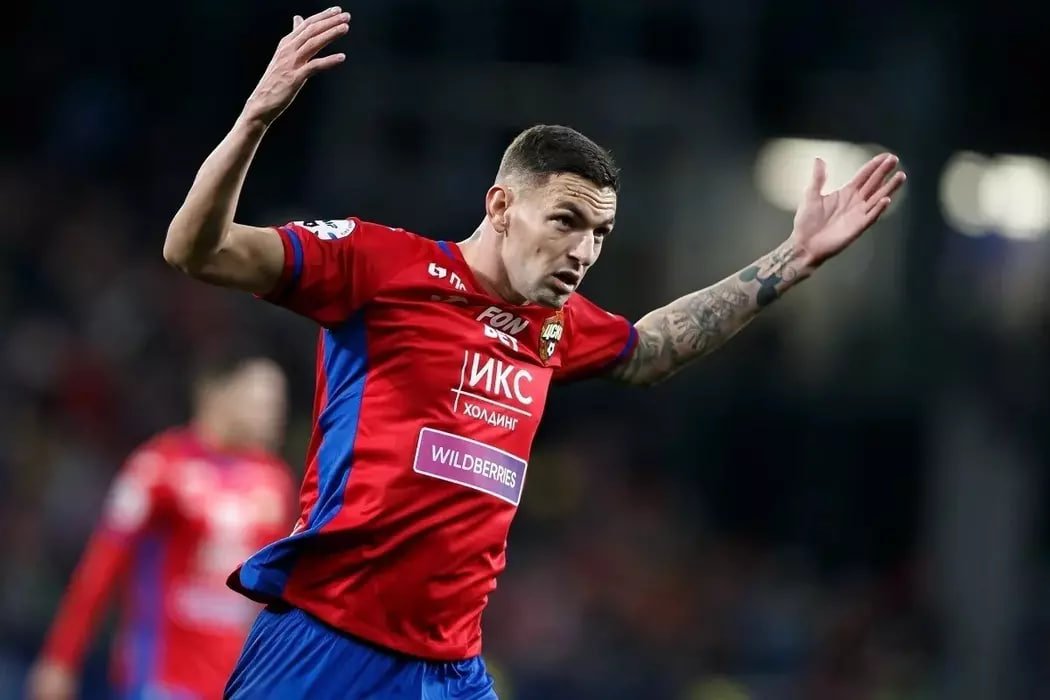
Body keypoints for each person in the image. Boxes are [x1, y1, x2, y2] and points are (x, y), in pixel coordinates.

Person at [161, 8, 907, 699]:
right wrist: (255, 119)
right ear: (501, 206)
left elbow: (653, 348)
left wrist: (793, 259)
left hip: (450, 668)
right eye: (566, 221)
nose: (584, 252)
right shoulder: (378, 265)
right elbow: (198, 251)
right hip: (328, 641)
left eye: (599, 234)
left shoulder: (557, 325)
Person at [27, 356, 296, 700]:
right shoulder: (157, 467)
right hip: (162, 679)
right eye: (258, 400)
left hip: (241, 684)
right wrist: (61, 657)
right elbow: (102, 566)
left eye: (276, 404)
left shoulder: (275, 482)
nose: (272, 414)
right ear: (215, 393)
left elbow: (281, 588)